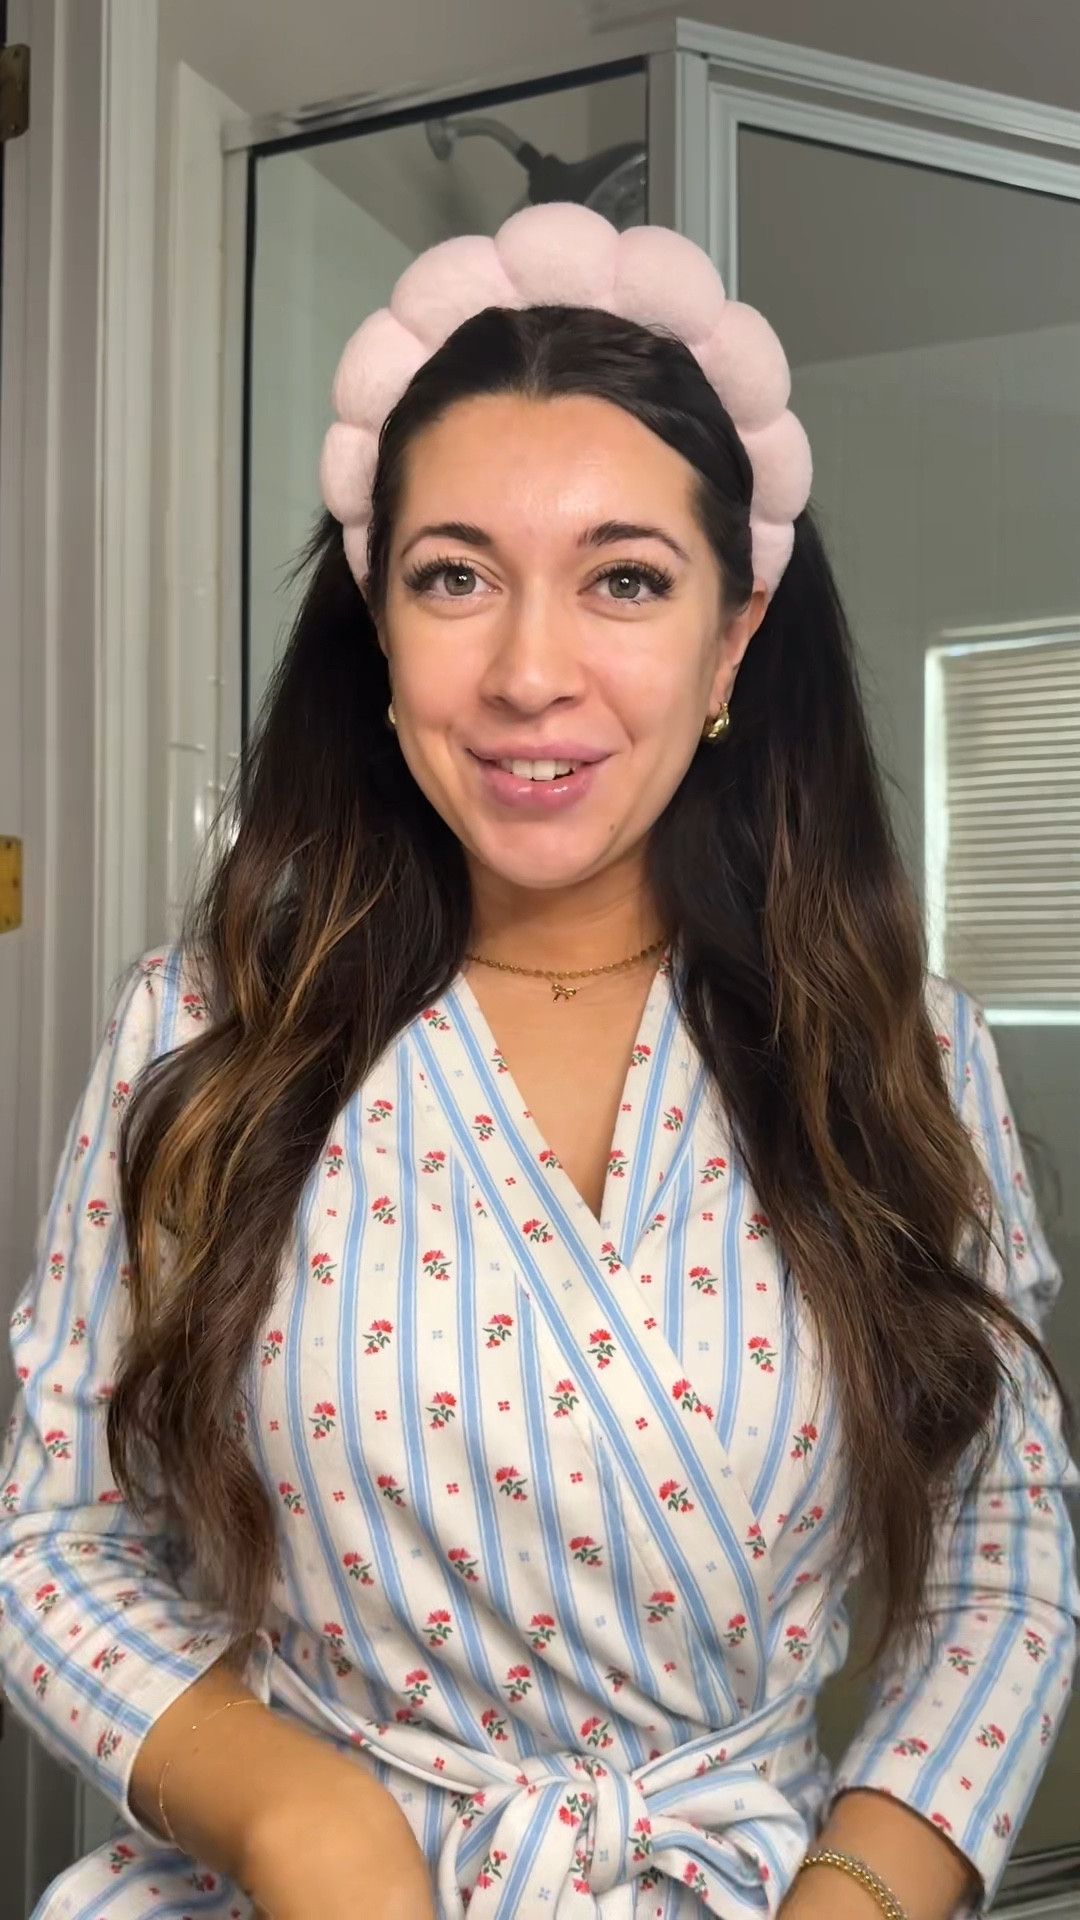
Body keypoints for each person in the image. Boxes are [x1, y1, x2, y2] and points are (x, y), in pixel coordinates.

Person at [0, 203, 1075, 1920]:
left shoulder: (903, 1051)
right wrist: (298, 1821)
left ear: (733, 640)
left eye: (625, 580)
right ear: (379, 627)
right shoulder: (203, 1028)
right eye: (456, 577)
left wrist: (857, 1896)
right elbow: (53, 1540)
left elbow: (1003, 1562)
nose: (527, 673)